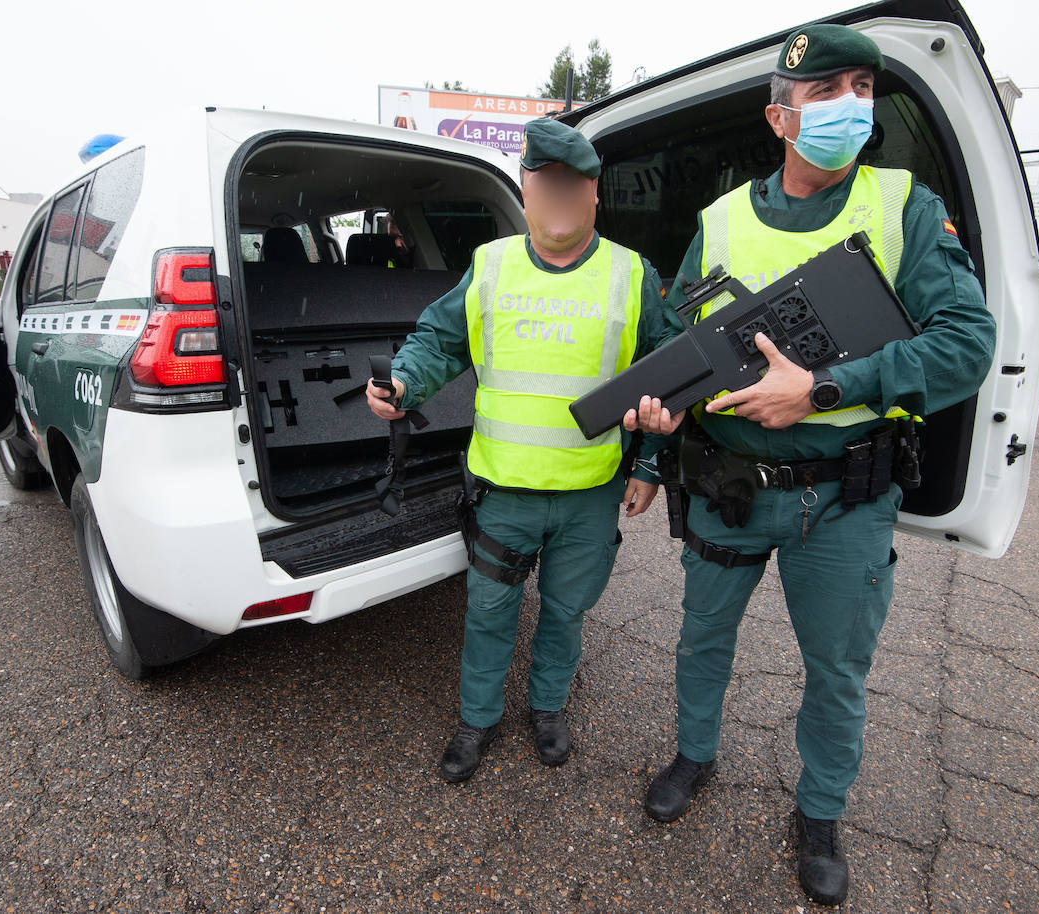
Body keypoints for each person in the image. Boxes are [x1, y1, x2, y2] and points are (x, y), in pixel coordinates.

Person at [623, 24, 996, 907]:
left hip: (845, 497)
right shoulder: (719, 220)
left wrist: (823, 388)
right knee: (702, 638)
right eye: (825, 95)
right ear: (780, 119)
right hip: (727, 487)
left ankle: (820, 812)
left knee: (836, 670)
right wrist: (652, 422)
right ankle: (694, 754)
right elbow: (675, 348)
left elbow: (967, 347)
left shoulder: (904, 205)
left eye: (861, 88)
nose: (850, 108)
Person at [367, 118, 673, 783]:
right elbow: (438, 343)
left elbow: (671, 371)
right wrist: (403, 381)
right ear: (526, 190)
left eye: (574, 184)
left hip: (589, 495)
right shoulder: (491, 265)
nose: (559, 197)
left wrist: (650, 464)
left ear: (595, 194)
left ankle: (549, 708)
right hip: (502, 493)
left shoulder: (631, 274)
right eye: (545, 183)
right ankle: (478, 720)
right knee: (488, 616)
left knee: (565, 612)